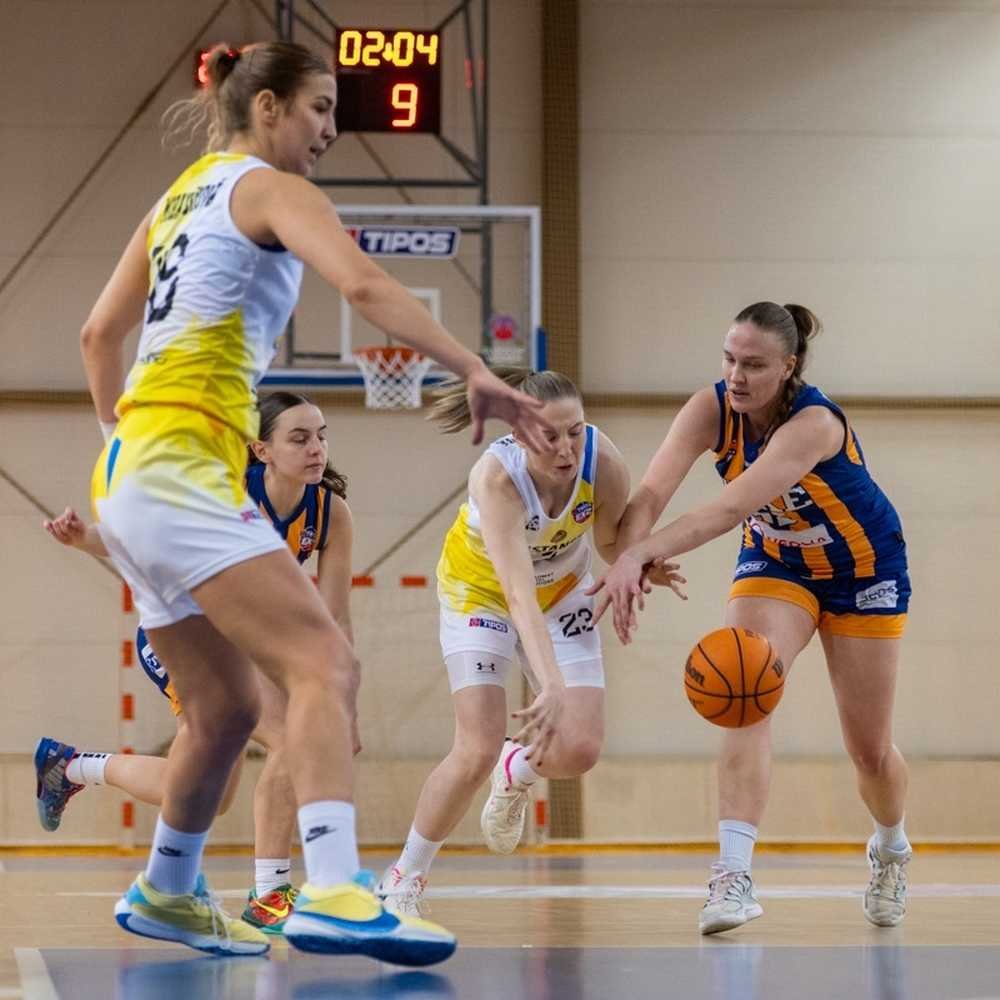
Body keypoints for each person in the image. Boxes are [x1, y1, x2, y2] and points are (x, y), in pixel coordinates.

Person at [72, 40, 554, 961]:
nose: (331, 128)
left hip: (128, 470)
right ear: (267, 108)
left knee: (224, 710)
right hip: (182, 463)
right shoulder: (272, 188)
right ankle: (333, 887)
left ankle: (168, 888)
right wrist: (473, 369)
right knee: (325, 664)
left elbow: (99, 335)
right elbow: (364, 283)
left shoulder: (177, 199)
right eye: (320, 107)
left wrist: (121, 451)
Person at [592, 303, 913, 935]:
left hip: (864, 569)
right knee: (744, 688)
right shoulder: (711, 408)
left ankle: (891, 846)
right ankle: (733, 876)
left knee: (869, 750)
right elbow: (650, 494)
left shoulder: (813, 423)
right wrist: (627, 555)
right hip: (778, 561)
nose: (736, 376)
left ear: (788, 366)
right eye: (729, 359)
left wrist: (641, 554)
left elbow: (725, 508)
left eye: (755, 365)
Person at [36, 390, 355, 935]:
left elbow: (334, 617)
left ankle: (70, 767)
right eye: (299, 438)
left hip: (249, 642)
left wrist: (343, 700)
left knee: (211, 792)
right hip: (184, 636)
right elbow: (142, 534)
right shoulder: (226, 491)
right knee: (291, 737)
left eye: (321, 436)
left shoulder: (329, 511)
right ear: (261, 449)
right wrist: (84, 538)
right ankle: (270, 893)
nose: (316, 449)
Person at [374, 369, 686, 916]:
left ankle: (515, 769)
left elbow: (608, 542)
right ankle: (405, 876)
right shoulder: (497, 479)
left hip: (562, 591)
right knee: (476, 747)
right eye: (550, 436)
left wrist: (637, 564)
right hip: (481, 594)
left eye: (575, 431)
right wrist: (552, 685)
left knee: (581, 748)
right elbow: (517, 595)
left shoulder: (602, 462)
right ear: (519, 435)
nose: (566, 448)